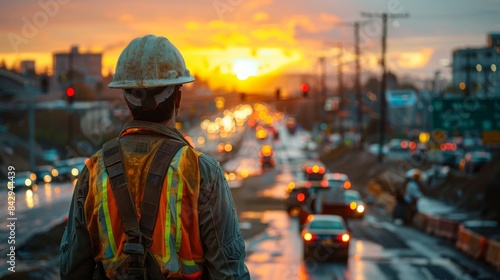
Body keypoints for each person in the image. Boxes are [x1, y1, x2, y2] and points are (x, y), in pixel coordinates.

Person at [59, 34, 250, 280]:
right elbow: (229, 273)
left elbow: (72, 270)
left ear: (126, 98)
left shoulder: (95, 170)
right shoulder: (200, 170)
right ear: (178, 98)